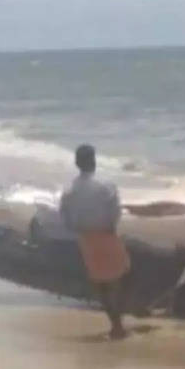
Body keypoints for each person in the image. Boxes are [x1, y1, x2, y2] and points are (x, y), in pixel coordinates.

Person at [60, 144, 131, 339]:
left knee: (101, 281)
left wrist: (76, 229)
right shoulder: (106, 185)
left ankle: (116, 323)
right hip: (106, 234)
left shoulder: (69, 190)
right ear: (94, 161)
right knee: (120, 275)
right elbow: (115, 210)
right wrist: (111, 227)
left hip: (86, 237)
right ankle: (118, 325)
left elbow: (65, 216)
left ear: (76, 163)